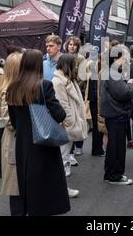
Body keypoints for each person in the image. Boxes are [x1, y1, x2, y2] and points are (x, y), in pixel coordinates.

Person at [7, 49, 69, 216]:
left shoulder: (12, 87)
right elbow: (59, 114)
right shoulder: (44, 85)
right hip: (44, 142)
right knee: (47, 184)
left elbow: (13, 121)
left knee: (27, 181)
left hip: (22, 143)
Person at [52, 54, 88, 198]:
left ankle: (60, 189)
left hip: (69, 124)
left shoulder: (66, 80)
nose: (77, 67)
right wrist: (71, 123)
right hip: (65, 126)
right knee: (62, 158)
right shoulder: (59, 82)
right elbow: (63, 106)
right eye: (75, 65)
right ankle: (61, 190)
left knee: (64, 157)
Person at [99, 46, 133, 185]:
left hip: (113, 113)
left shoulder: (111, 71)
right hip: (116, 114)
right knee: (116, 146)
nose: (126, 62)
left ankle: (112, 174)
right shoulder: (112, 73)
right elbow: (123, 93)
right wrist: (130, 85)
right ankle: (114, 175)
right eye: (124, 59)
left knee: (115, 145)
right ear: (115, 58)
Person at [0, 52, 24, 216]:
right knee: (16, 188)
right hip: (14, 141)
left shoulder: (17, 87)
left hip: (19, 140)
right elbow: (9, 121)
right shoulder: (8, 89)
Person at [64, 36, 88, 157]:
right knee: (68, 118)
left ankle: (78, 145)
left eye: (74, 45)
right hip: (64, 90)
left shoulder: (81, 58)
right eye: (70, 44)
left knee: (78, 117)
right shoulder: (62, 57)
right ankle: (69, 146)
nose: (72, 47)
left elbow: (83, 77)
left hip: (77, 90)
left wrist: (73, 86)